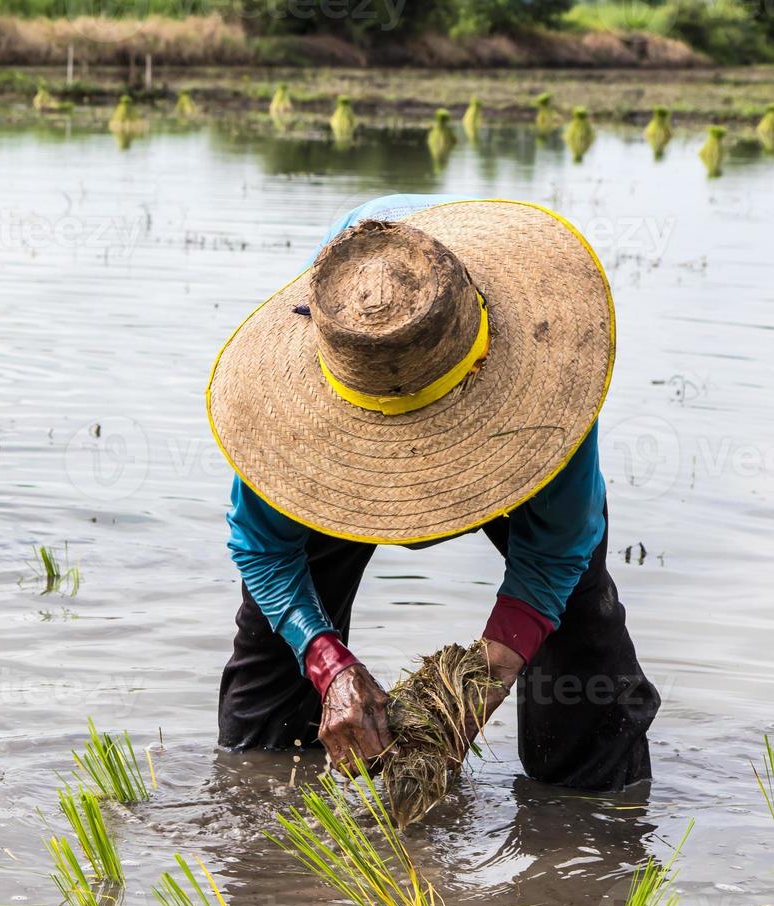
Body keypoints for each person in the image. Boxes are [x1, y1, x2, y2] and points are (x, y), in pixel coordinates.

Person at [207, 194, 659, 791]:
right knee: (266, 718)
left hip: (509, 447)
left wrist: (460, 701)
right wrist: (328, 664)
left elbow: (554, 557)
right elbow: (265, 550)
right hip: (334, 455)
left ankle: (597, 815)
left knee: (583, 662)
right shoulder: (288, 414)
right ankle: (262, 816)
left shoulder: (548, 382)